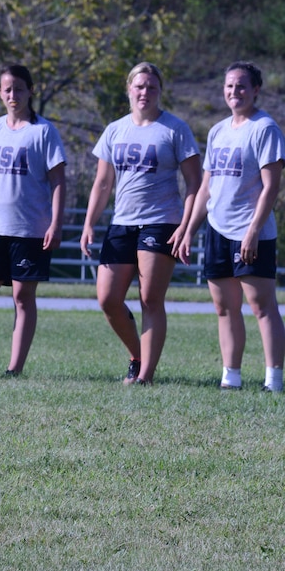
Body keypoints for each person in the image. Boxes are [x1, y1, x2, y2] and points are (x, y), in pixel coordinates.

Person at [79, 62, 202, 385]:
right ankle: (137, 356)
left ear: (160, 91)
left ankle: (145, 376)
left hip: (161, 222)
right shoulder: (115, 129)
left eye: (151, 87)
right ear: (129, 89)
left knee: (150, 299)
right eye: (139, 86)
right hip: (122, 223)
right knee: (107, 298)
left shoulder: (175, 129)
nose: (145, 92)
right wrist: (89, 223)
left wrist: (186, 226)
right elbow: (103, 183)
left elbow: (194, 184)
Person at [179, 61, 285, 392]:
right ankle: (231, 377)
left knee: (262, 307)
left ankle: (274, 380)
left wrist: (253, 230)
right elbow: (207, 187)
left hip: (251, 232)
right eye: (229, 86)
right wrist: (190, 229)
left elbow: (271, 187)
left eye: (241, 86)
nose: (234, 92)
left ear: (255, 89)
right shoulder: (218, 131)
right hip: (218, 230)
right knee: (225, 308)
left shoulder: (265, 128)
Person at [0, 64, 67, 375]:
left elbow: (59, 180)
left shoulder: (43, 132)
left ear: (31, 91)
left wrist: (55, 224)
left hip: (30, 230)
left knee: (22, 296)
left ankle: (14, 369)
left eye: (19, 88)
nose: (12, 94)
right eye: (7, 89)